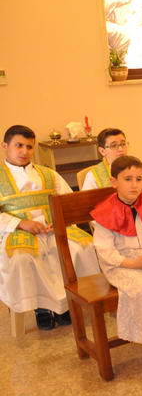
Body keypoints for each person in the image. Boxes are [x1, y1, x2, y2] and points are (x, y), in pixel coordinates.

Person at [0, 125, 99, 330]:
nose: (24, 151)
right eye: (19, 145)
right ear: (5, 146)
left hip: (52, 227)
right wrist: (21, 223)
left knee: (84, 247)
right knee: (23, 258)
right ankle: (41, 307)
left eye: (29, 147)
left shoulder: (48, 174)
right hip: (16, 230)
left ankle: (69, 302)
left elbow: (68, 201)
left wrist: (60, 219)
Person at [89, 155, 142, 344]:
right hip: (120, 263)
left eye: (139, 179)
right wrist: (132, 263)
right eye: (128, 179)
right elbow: (104, 250)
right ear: (114, 182)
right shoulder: (106, 211)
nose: (134, 185)